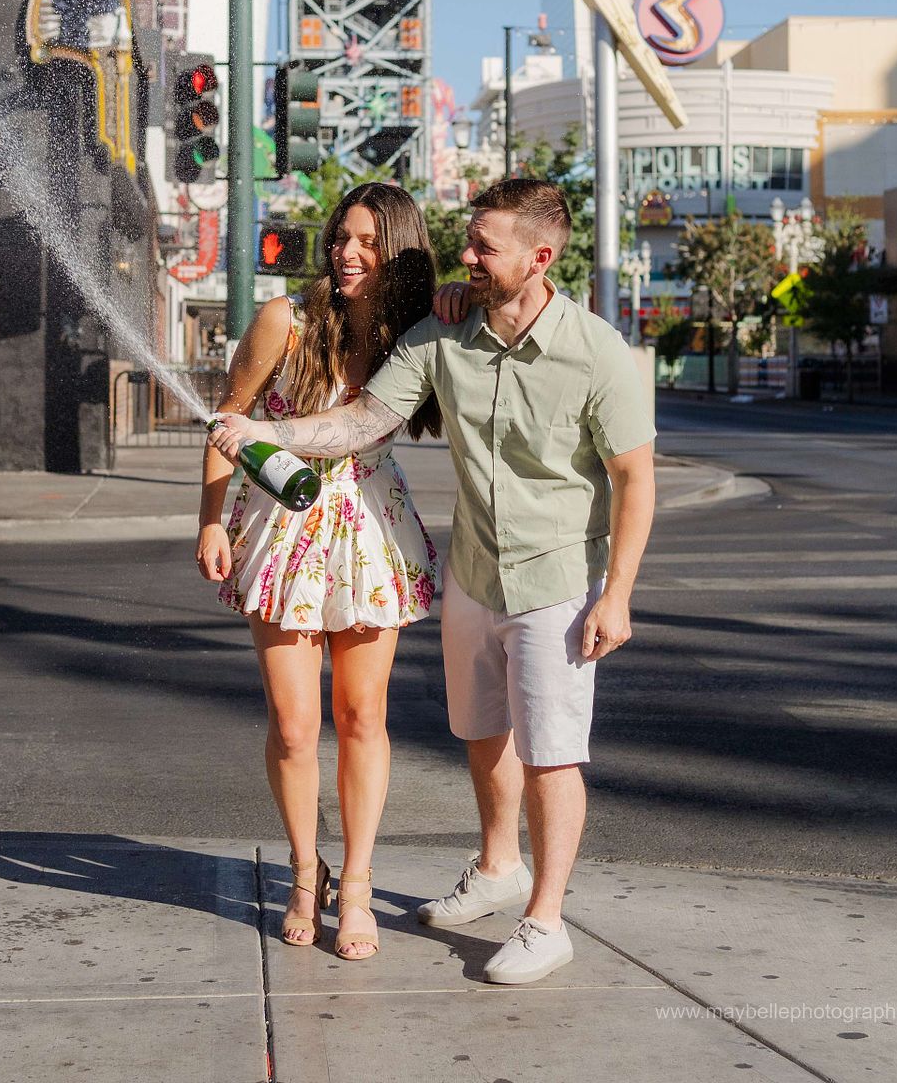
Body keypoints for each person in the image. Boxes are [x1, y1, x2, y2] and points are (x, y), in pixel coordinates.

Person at [209, 177, 655, 987]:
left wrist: (617, 592)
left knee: (552, 754)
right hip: (475, 574)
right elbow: (362, 421)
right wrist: (264, 437)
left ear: (540, 258)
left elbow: (634, 478)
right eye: (469, 241)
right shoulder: (443, 333)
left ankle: (545, 920)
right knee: (482, 731)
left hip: (557, 576)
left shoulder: (596, 351)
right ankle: (497, 868)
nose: (468, 257)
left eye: (485, 246)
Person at [196, 182, 440, 961]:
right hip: (281, 528)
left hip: (370, 527)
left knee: (363, 716)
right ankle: (307, 873)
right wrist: (209, 520)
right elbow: (228, 418)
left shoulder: (415, 335)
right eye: (341, 236)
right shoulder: (287, 321)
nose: (347, 252)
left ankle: (358, 883)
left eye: (368, 241)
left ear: (399, 253)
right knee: (295, 724)